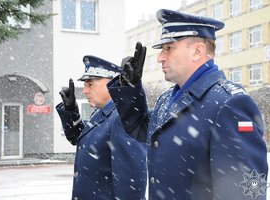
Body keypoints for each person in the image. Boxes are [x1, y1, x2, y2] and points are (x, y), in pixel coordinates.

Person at [108, 9, 268, 200]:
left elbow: (244, 194)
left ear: (197, 51)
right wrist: (130, 89)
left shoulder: (230, 103)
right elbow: (143, 129)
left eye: (168, 48)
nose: (160, 57)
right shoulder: (168, 98)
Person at [56, 55, 147, 200]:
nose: (85, 90)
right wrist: (71, 112)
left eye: (90, 84)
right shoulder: (103, 112)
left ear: (111, 83)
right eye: (85, 84)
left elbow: (131, 181)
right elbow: (81, 139)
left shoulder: (122, 118)